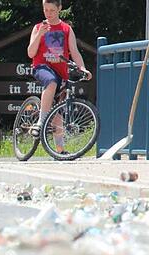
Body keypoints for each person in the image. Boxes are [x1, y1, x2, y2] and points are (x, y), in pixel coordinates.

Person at [27, 0, 92, 153]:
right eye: (46, 10)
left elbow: (74, 52)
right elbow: (30, 53)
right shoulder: (38, 28)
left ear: (59, 9)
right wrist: (39, 35)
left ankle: (60, 150)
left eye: (52, 10)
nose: (48, 14)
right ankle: (41, 122)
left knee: (57, 112)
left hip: (61, 72)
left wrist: (83, 68)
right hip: (42, 67)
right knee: (50, 82)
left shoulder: (66, 29)